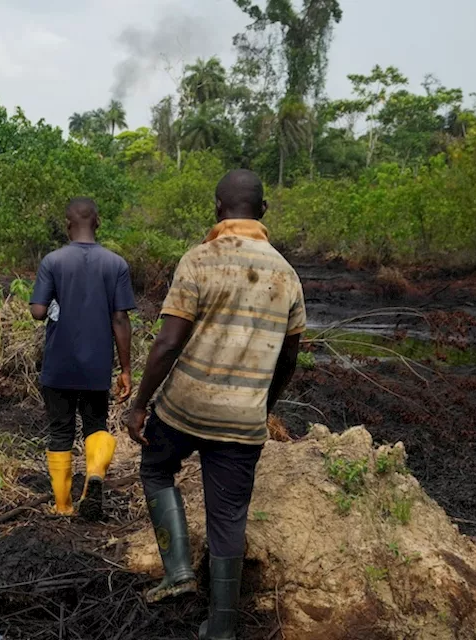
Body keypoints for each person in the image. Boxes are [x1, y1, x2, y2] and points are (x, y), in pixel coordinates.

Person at [125, 169, 305, 640]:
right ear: (263, 212)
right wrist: (264, 406)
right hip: (242, 419)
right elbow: (289, 357)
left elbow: (166, 343)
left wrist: (139, 404)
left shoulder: (200, 260)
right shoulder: (287, 275)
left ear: (217, 210)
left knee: (156, 467)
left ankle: (178, 570)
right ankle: (222, 626)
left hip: (185, 408)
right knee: (228, 518)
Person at [30, 197, 135, 521]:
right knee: (96, 425)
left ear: (67, 224)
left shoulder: (53, 261)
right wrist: (126, 369)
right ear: (98, 222)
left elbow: (38, 312)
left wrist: (55, 302)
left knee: (60, 430)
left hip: (59, 363)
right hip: (96, 365)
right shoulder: (116, 264)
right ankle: (95, 477)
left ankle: (63, 505)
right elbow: (120, 320)